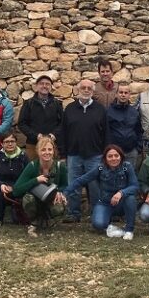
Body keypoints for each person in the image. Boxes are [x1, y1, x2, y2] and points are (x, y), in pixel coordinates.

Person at [65, 144, 139, 240]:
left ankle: (129, 230)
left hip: (122, 203)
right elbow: (81, 180)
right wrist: (66, 192)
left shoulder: (127, 167)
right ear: (105, 158)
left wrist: (121, 193)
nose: (113, 159)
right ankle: (112, 228)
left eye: (116, 156)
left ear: (121, 156)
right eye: (110, 156)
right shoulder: (100, 168)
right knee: (98, 224)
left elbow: (135, 186)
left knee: (131, 198)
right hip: (105, 203)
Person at [61, 79, 107, 222]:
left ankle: (96, 213)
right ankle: (73, 213)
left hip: (95, 155)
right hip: (74, 155)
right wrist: (63, 154)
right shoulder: (69, 109)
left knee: (95, 187)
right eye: (83, 88)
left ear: (93, 91)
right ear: (78, 90)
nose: (86, 90)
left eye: (89, 88)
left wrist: (105, 155)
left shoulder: (100, 110)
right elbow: (63, 132)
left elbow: (106, 133)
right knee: (73, 185)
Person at [12, 134, 68, 237]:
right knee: (28, 199)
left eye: (50, 149)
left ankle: (50, 219)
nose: (47, 152)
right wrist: (35, 180)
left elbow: (65, 185)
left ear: (53, 151)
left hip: (51, 199)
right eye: (43, 150)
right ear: (38, 151)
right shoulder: (32, 166)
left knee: (60, 204)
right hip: (35, 200)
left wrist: (60, 191)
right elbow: (16, 190)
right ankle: (34, 222)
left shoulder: (61, 166)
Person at [17, 74, 63, 160]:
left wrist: (54, 134)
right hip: (33, 144)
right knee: (33, 169)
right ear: (36, 86)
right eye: (42, 83)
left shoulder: (57, 104)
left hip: (52, 144)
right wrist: (36, 136)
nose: (44, 86)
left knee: (52, 170)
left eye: (47, 84)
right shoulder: (28, 103)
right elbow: (22, 124)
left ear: (50, 87)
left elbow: (62, 123)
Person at [0, 131, 30, 224]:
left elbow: (27, 176)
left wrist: (16, 187)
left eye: (12, 141)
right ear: (2, 144)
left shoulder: (23, 156)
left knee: (17, 220)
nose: (10, 144)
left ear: (16, 142)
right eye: (6, 142)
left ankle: (18, 212)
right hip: (3, 186)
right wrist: (1, 185)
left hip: (19, 186)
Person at [106, 81, 142, 167]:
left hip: (131, 152)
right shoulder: (108, 111)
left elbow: (139, 131)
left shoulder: (134, 112)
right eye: (121, 92)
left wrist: (138, 148)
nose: (123, 95)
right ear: (116, 94)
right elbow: (105, 132)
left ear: (129, 95)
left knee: (129, 176)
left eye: (126, 93)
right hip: (114, 153)